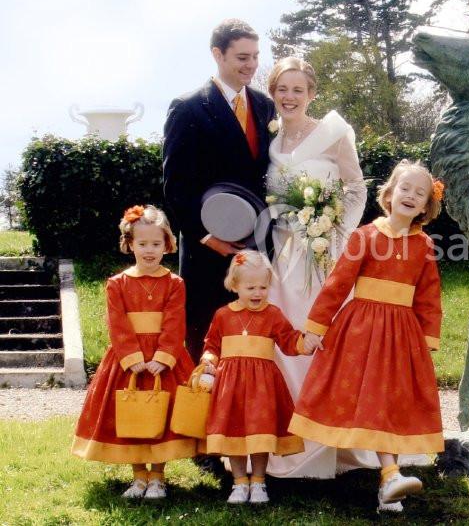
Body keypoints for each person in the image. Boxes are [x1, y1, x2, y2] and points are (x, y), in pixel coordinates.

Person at [288, 160, 445, 513]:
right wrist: (315, 329)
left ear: (426, 206)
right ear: (389, 194)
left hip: (401, 335)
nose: (411, 196)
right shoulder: (364, 237)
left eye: (420, 193)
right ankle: (389, 475)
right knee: (369, 397)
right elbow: (337, 284)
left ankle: (389, 477)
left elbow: (429, 296)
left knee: (389, 399)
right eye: (405, 188)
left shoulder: (423, 247)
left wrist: (426, 339)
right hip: (360, 332)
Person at [262, 57, 370, 478]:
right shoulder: (271, 139)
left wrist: (338, 236)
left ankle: (332, 446)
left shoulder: (334, 133)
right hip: (281, 253)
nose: (289, 98)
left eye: (298, 90)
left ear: (312, 94)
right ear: (273, 93)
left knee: (321, 340)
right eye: (282, 90)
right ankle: (287, 445)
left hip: (322, 256)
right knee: (283, 341)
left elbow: (356, 188)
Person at [163, 18, 276, 361]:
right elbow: (175, 186)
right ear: (217, 54)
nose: (252, 65)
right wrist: (205, 237)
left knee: (251, 343)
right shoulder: (188, 107)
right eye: (243, 57)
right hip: (207, 250)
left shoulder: (265, 105)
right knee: (206, 343)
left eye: (255, 56)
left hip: (255, 245)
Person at [71, 205, 196, 500]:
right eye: (142, 244)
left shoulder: (175, 283)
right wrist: (133, 358)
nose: (149, 250)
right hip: (130, 361)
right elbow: (117, 323)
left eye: (156, 244)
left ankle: (158, 476)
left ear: (167, 244)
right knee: (131, 415)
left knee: (164, 416)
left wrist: (164, 357)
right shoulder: (117, 284)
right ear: (129, 245)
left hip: (163, 360)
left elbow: (175, 322)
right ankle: (139, 475)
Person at [200, 250, 311, 504]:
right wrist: (208, 360)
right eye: (251, 287)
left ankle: (259, 481)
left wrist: (306, 343)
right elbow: (212, 344)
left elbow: (288, 340)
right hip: (231, 386)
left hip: (263, 386)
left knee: (261, 432)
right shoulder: (223, 315)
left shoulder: (273, 314)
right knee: (235, 434)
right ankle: (239, 482)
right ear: (235, 285)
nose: (258, 293)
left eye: (263, 287)